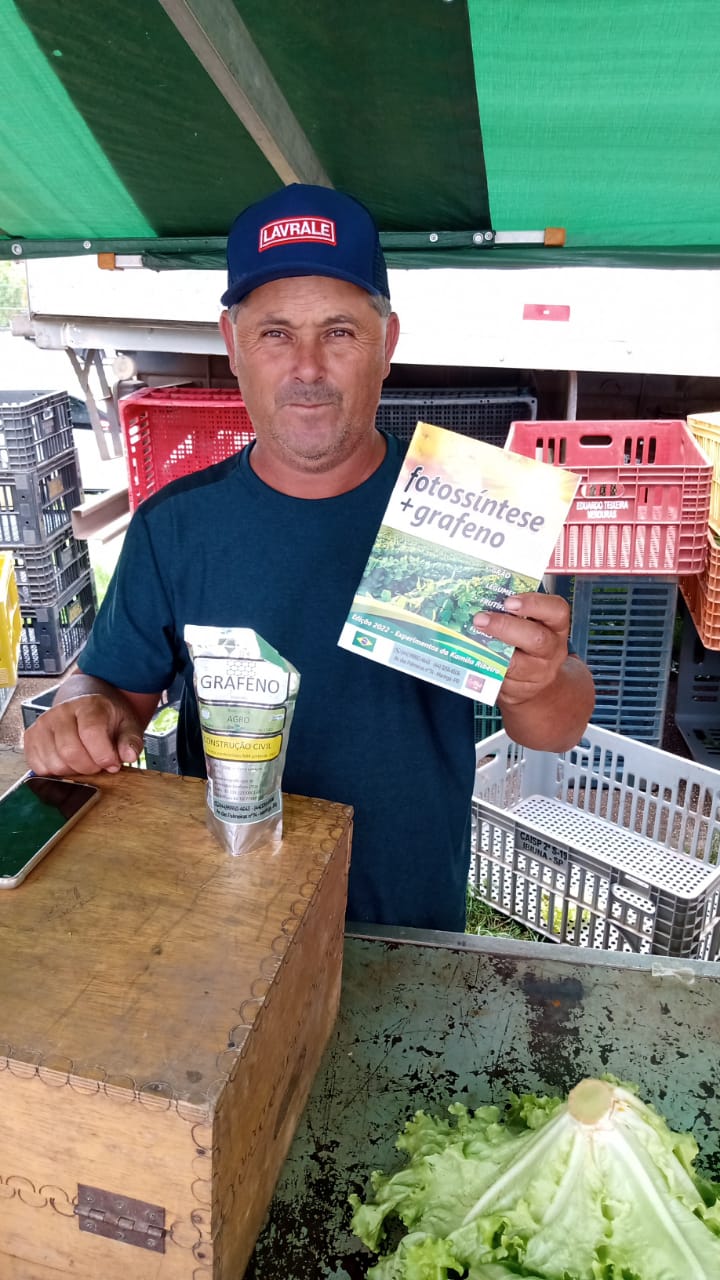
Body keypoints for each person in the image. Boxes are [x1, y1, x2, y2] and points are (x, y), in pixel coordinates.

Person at [24, 184, 595, 931]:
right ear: (233, 345)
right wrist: (79, 710)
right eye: (275, 334)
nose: (308, 368)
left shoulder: (466, 510)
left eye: (340, 332)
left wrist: (540, 680)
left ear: (386, 344)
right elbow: (111, 691)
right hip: (232, 913)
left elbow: (554, 726)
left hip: (410, 923)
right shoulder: (177, 525)